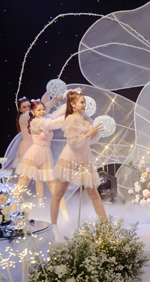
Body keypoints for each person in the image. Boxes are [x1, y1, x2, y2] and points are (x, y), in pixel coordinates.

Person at [52, 89, 105, 240]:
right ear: (73, 104)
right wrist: (88, 133)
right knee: (58, 194)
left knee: (94, 194)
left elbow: (88, 140)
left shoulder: (85, 119)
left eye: (85, 102)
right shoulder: (71, 119)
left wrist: (95, 133)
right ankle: (53, 229)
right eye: (82, 102)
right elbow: (73, 142)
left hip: (84, 159)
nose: (84, 105)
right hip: (69, 159)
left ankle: (106, 229)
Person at [13, 100, 69, 220]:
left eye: (43, 109)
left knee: (55, 188)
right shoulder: (36, 122)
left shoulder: (45, 119)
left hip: (45, 156)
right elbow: (54, 123)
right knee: (20, 187)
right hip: (33, 155)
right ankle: (10, 217)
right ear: (32, 112)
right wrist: (70, 116)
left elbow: (55, 114)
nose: (42, 111)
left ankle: (67, 218)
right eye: (39, 110)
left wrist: (69, 104)